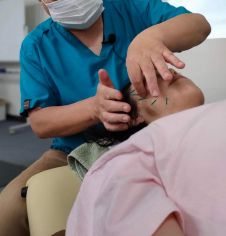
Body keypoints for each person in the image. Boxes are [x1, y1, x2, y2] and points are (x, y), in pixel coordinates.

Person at [0, 0, 210, 236]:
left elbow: (199, 25)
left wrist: (150, 38)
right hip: (72, 147)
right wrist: (93, 109)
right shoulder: (36, 47)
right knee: (7, 213)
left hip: (150, 137)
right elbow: (40, 123)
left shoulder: (134, 8)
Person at [66, 69, 226, 236]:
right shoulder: (133, 157)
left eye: (165, 70)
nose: (168, 73)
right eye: (151, 80)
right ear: (134, 116)